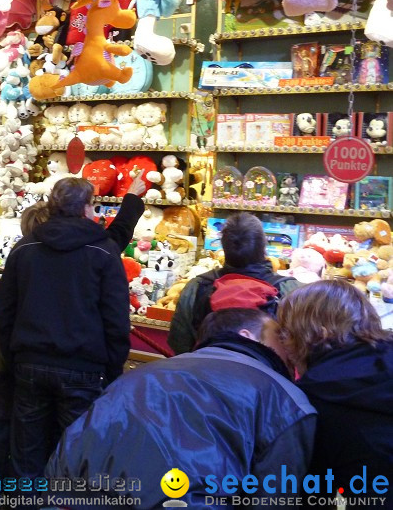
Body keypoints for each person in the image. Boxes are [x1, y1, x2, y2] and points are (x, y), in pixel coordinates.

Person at [46, 308, 317, 508]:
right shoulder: (285, 400)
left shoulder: (138, 376)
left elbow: (68, 454)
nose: (289, 347)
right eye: (279, 335)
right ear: (249, 336)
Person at [0, 177, 132, 481]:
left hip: (30, 363)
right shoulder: (104, 251)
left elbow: (4, 312)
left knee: (26, 457)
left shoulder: (25, 247)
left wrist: (12, 358)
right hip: (83, 366)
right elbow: (116, 318)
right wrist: (112, 368)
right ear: (85, 207)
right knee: (75, 458)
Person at [277, 280, 392, 501]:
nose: (285, 344)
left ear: (318, 335)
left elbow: (314, 493)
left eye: (287, 334)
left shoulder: (314, 396)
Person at [168, 212, 300, 355]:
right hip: (267, 373)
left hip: (207, 368)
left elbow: (179, 341)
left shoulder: (197, 285)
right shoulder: (292, 290)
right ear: (264, 246)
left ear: (223, 247)